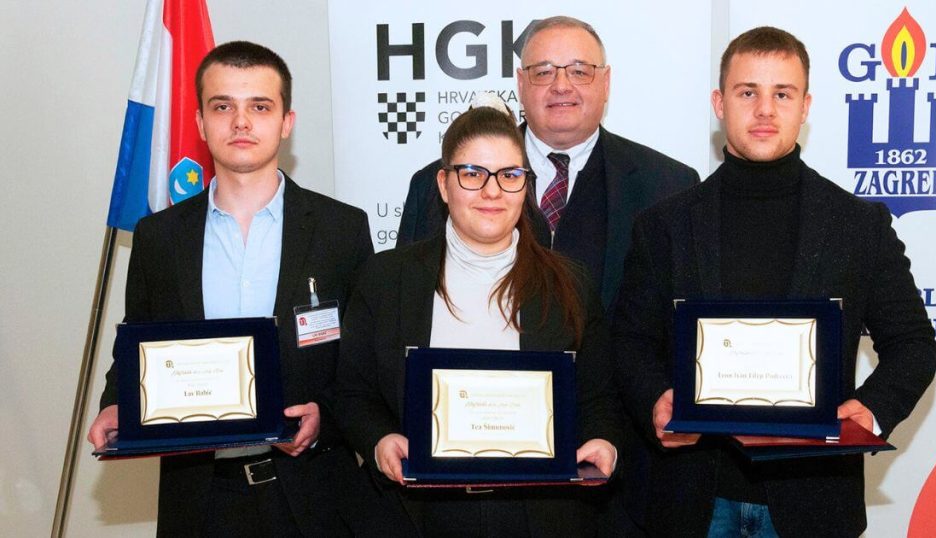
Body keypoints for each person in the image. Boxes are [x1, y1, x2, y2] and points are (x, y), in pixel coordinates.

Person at [612, 27, 936, 537]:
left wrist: (872, 411)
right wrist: (656, 398)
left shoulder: (859, 225)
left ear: (805, 106)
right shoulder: (664, 225)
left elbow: (914, 343)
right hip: (693, 499)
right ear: (719, 103)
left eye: (782, 94)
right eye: (748, 92)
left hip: (815, 500)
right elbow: (631, 340)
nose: (765, 110)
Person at [87, 41, 412, 536]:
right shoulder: (159, 237)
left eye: (260, 107)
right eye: (223, 107)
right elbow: (137, 341)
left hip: (315, 498)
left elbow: (365, 362)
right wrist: (117, 401)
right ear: (200, 123)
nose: (241, 122)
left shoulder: (341, 230)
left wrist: (324, 418)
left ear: (286, 122)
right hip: (199, 499)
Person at [325, 106, 621, 536]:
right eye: (472, 174)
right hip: (416, 515)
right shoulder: (386, 279)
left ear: (525, 186)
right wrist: (378, 440)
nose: (492, 191)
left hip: (539, 516)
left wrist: (603, 440)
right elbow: (353, 393)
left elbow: (600, 397)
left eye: (509, 175)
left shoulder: (570, 283)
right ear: (443, 184)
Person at [397, 15, 699, 310]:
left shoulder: (669, 187)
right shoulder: (437, 185)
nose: (561, 85)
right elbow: (405, 309)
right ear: (520, 84)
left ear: (606, 83)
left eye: (579, 71)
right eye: (543, 72)